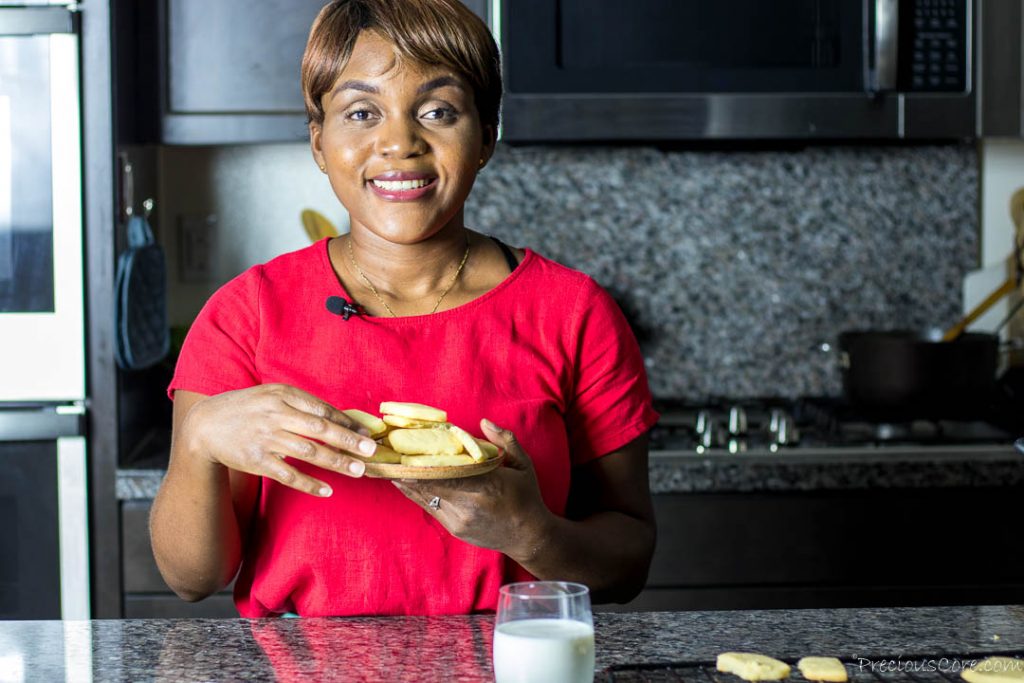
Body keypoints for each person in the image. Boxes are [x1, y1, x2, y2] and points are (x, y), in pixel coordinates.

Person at [150, 0, 658, 618]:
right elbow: (190, 578)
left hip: (512, 657)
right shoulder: (245, 314)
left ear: (486, 136)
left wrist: (530, 532)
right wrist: (201, 441)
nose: (398, 142)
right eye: (361, 112)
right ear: (319, 141)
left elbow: (629, 561)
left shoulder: (573, 312)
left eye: (438, 111)